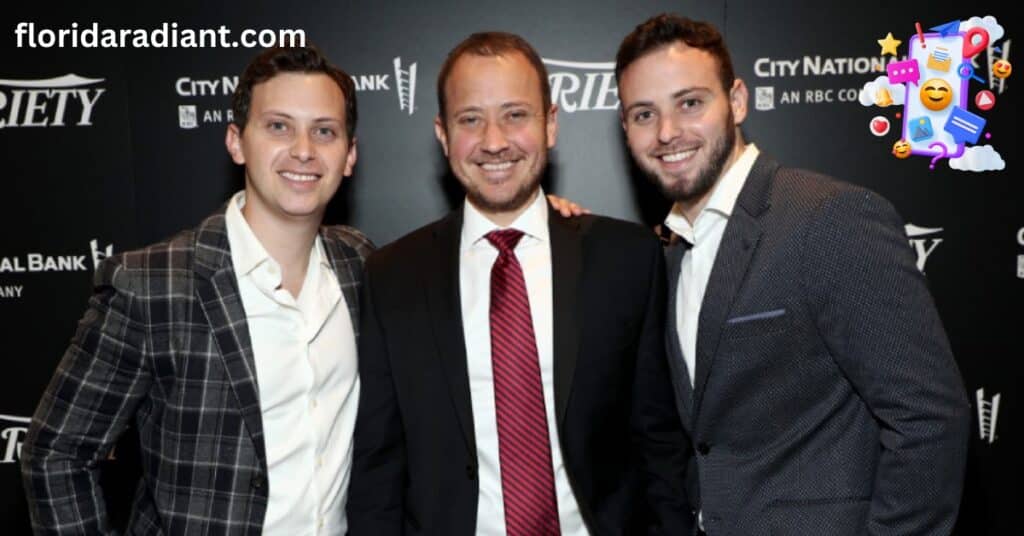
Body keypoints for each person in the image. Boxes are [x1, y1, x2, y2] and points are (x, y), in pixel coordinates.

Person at [613, 13, 971, 535]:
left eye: (690, 103)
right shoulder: (665, 252)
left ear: (736, 100)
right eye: (644, 114)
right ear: (626, 128)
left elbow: (930, 419)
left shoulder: (829, 218)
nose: (668, 132)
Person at [347, 31, 690, 535]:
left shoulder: (627, 259)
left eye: (515, 114)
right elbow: (379, 467)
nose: (493, 141)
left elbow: (660, 444)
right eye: (470, 119)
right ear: (443, 135)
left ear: (550, 123)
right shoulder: (392, 276)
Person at [21, 45, 372, 535]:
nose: (303, 150)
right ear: (236, 142)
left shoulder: (361, 265)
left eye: (325, 131)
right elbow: (55, 453)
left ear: (349, 154)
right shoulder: (151, 285)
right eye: (278, 126)